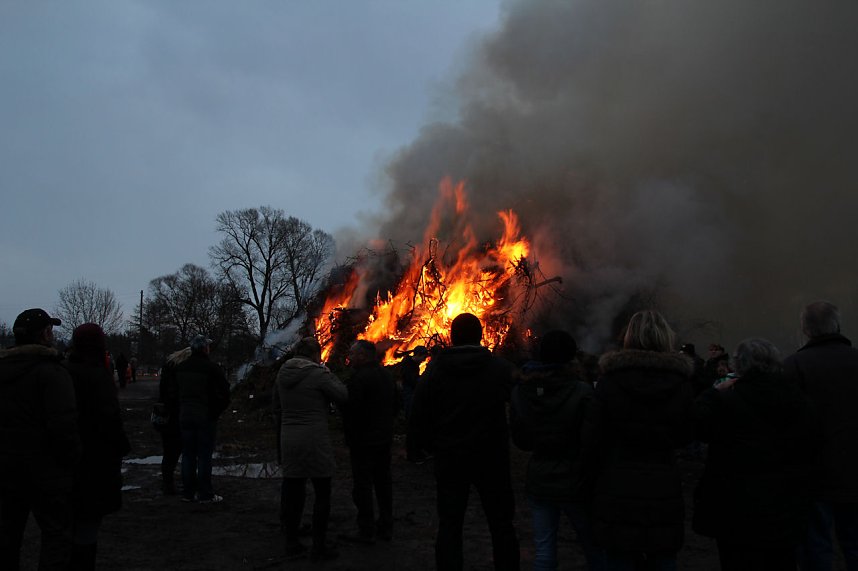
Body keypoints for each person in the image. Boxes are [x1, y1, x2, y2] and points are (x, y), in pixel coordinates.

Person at [581, 309, 695, 571]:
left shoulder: (609, 382)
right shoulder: (681, 384)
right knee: (662, 555)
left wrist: (588, 483)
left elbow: (593, 438)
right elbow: (687, 435)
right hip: (663, 487)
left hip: (617, 486)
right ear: (666, 336)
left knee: (620, 556)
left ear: (629, 336)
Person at [693, 338, 818, 570]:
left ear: (739, 365)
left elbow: (696, 427)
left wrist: (712, 394)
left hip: (735, 508)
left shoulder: (726, 401)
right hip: (784, 505)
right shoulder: (799, 401)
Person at [409, 312, 520, 570]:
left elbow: (418, 412)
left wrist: (424, 447)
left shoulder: (435, 370)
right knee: (501, 523)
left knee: (450, 524)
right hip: (492, 457)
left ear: (452, 337)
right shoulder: (499, 368)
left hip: (450, 457)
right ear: (481, 336)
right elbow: (519, 406)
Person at [510, 330, 605, 571]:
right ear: (571, 356)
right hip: (575, 481)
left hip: (539, 479)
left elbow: (521, 441)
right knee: (594, 548)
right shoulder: (582, 392)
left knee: (544, 552)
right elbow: (592, 441)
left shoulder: (522, 391)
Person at [0, 308, 81, 570]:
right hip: (46, 471)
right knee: (56, 536)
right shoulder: (52, 372)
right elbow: (64, 427)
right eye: (50, 330)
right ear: (45, 334)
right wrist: (72, 463)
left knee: (7, 535)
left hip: (6, 468)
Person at [784, 301, 858, 571]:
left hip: (812, 473)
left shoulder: (793, 366)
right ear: (837, 325)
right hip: (855, 470)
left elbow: (786, 422)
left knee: (816, 549)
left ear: (805, 329)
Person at [63, 323, 131, 570]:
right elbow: (109, 419)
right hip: (94, 459)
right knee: (87, 525)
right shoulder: (97, 376)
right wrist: (121, 446)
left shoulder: (63, 371)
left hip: (66, 457)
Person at [273, 336, 348, 561]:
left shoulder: (282, 372)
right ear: (316, 354)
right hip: (314, 439)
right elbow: (343, 395)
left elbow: (276, 406)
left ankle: (291, 541)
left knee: (293, 490)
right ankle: (319, 545)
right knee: (322, 491)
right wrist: (328, 373)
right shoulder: (318, 373)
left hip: (288, 438)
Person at [340, 340, 397, 544]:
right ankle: (386, 526)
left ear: (363, 356)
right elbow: (396, 404)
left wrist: (350, 433)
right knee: (383, 483)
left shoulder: (359, 378)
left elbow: (351, 409)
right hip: (383, 438)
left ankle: (366, 529)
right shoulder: (386, 375)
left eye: (352, 354)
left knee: (362, 485)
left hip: (363, 441)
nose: (349, 357)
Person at [167, 335, 230, 503]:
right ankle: (205, 493)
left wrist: (180, 409)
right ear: (204, 348)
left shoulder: (181, 368)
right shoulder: (211, 368)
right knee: (204, 455)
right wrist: (215, 412)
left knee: (188, 454)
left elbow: (172, 393)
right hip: (205, 417)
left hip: (185, 416)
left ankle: (188, 493)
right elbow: (225, 393)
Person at [157, 347, 191, 495]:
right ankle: (176, 483)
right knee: (178, 450)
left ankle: (167, 483)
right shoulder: (181, 371)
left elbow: (163, 392)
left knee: (168, 452)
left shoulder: (168, 367)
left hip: (166, 415)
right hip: (177, 415)